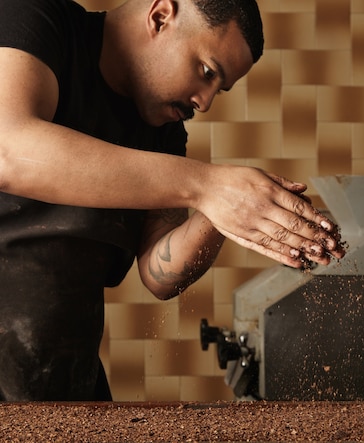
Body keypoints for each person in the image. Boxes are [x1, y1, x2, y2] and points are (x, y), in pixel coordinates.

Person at [0, 0, 345, 401]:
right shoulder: (37, 17)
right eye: (206, 72)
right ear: (161, 16)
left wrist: (225, 211)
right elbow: (8, 149)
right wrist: (208, 185)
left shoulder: (162, 127)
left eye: (220, 88)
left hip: (63, 383)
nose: (205, 102)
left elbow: (157, 274)